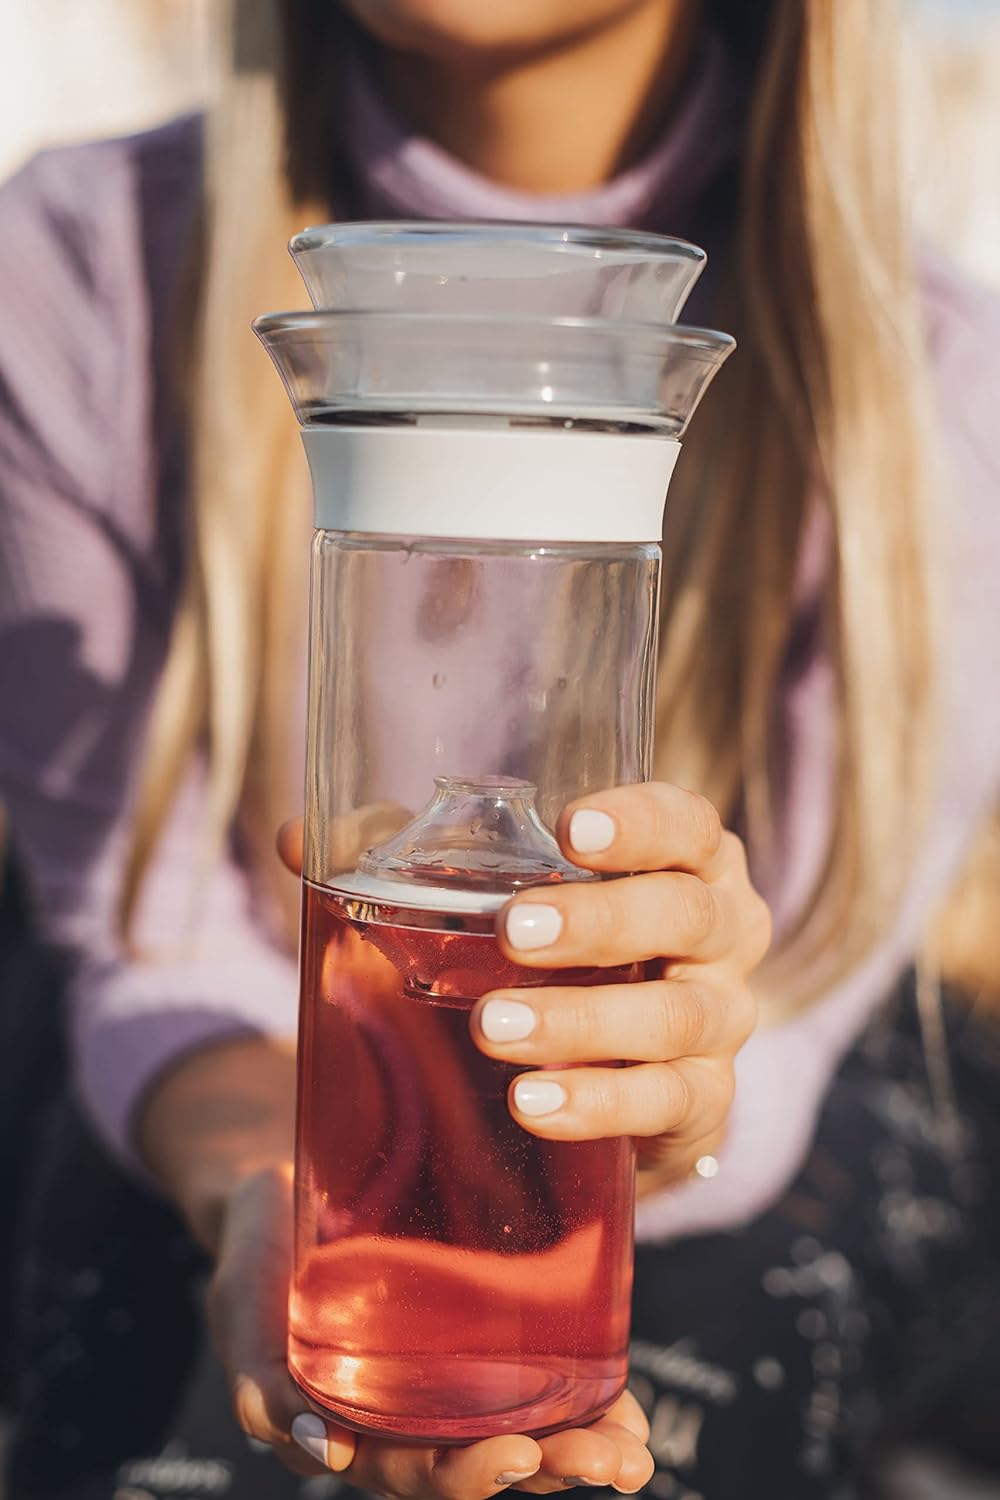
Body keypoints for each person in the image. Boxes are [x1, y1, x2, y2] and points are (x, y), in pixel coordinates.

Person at [0, 0, 998, 1496]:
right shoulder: (83, 260)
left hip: (752, 1131)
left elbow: (797, 981)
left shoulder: (932, 379)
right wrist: (260, 1184)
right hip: (221, 1096)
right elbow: (145, 926)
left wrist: (650, 1099)